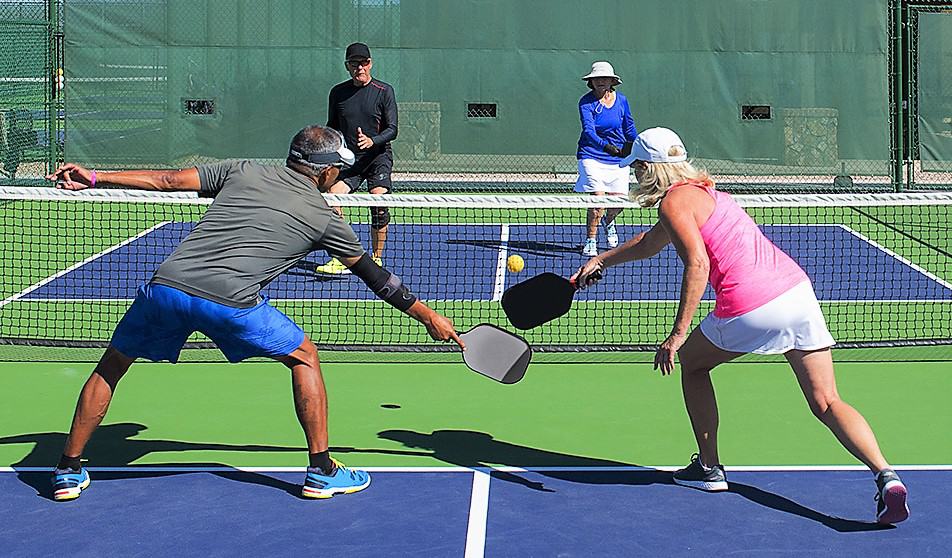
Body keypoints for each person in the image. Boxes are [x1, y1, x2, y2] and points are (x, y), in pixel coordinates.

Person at [45, 125, 463, 502]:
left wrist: (95, 177)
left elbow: (167, 180)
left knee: (113, 365)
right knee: (304, 356)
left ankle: (67, 468)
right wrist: (429, 317)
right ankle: (321, 470)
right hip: (230, 302)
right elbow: (379, 279)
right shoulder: (325, 218)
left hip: (167, 287)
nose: (338, 175)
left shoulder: (242, 170)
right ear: (323, 173)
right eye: (337, 169)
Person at [572, 127, 910, 525]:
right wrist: (602, 261)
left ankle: (709, 469)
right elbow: (649, 243)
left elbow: (697, 265)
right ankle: (886, 476)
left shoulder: (674, 204)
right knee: (827, 401)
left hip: (751, 304)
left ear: (649, 168)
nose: (635, 175)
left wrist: (677, 335)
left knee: (694, 365)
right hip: (797, 293)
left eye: (638, 168)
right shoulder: (706, 193)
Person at [316, 42, 398, 274]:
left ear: (370, 64)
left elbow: (393, 129)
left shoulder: (384, 91)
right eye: (354, 63)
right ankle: (343, 257)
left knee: (378, 203)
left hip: (377, 159)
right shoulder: (338, 93)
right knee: (332, 200)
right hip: (349, 162)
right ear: (347, 66)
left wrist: (373, 141)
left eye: (364, 63)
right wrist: (328, 151)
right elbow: (332, 127)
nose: (359, 67)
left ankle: (376, 258)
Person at [575, 61, 638, 257]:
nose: (601, 81)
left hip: (617, 158)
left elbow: (629, 127)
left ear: (612, 81)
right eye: (597, 79)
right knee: (598, 200)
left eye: (605, 78)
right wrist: (607, 147)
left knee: (618, 203)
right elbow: (589, 131)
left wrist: (636, 148)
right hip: (591, 155)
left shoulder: (622, 101)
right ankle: (591, 240)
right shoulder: (586, 103)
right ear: (591, 82)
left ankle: (609, 221)